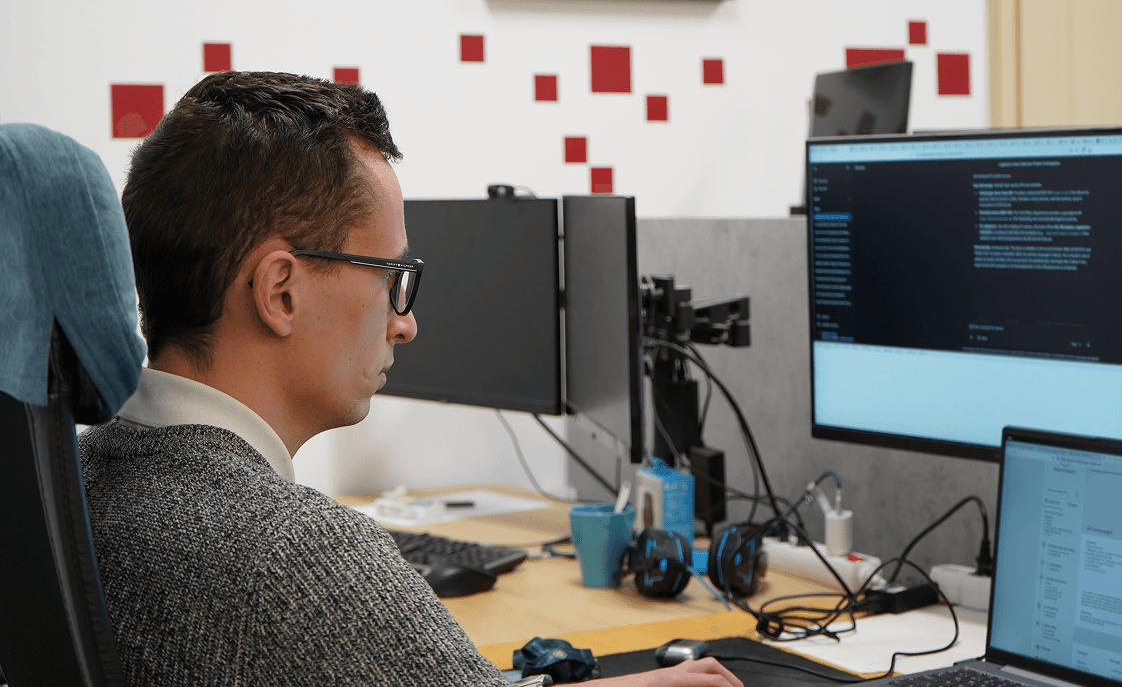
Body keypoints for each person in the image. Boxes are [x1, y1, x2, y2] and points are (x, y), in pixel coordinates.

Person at [80, 71, 744, 687]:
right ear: (280, 292)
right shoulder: (294, 555)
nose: (407, 325)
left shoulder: (77, 476)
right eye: (390, 278)